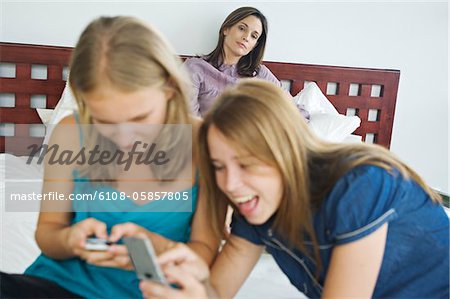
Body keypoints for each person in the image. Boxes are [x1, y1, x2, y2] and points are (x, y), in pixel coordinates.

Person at [140, 79, 449, 299]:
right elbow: (217, 292)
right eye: (219, 167)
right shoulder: (258, 208)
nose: (230, 186)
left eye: (247, 164)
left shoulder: (359, 186)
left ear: (286, 150)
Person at [1, 16, 220, 298]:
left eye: (140, 117)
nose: (125, 138)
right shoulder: (70, 133)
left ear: (169, 88)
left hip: (151, 291)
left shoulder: (204, 142)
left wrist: (158, 247)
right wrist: (70, 240)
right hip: (58, 285)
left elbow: (205, 252)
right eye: (104, 121)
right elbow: (48, 233)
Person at [184, 6, 309, 120]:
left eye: (254, 36)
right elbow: (186, 120)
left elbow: (297, 112)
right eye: (242, 28)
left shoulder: (261, 74)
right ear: (226, 29)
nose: (246, 37)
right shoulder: (195, 68)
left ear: (255, 45)